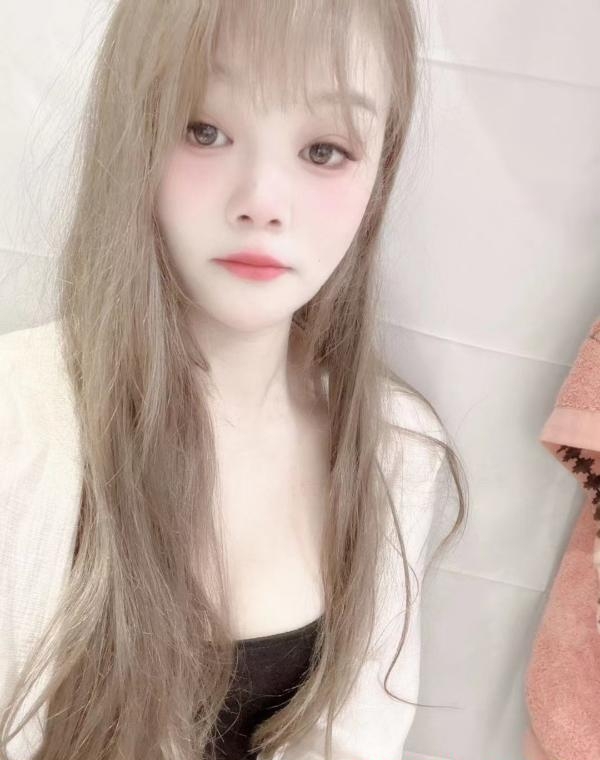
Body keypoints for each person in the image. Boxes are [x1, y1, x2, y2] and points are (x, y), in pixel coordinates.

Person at [0, 1, 467, 759]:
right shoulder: (17, 426)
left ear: (381, 168)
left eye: (324, 150)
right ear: (136, 129)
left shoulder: (396, 450)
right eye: (204, 130)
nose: (262, 203)